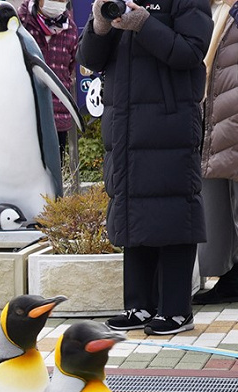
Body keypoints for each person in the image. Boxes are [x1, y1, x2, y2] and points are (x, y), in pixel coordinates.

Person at [79, 0, 211, 335]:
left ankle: (176, 310)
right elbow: (90, 59)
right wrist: (100, 24)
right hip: (124, 121)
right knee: (132, 205)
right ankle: (138, 306)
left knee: (173, 206)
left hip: (169, 120)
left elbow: (191, 52)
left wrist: (144, 23)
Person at [195, 0, 238, 304]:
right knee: (219, 206)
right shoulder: (209, 11)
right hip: (214, 119)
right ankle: (230, 276)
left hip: (230, 118)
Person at [17, 0, 80, 163]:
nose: (57, 3)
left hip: (58, 117)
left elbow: (71, 66)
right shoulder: (20, 23)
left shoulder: (70, 28)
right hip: (24, 116)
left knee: (53, 174)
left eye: (62, 0)